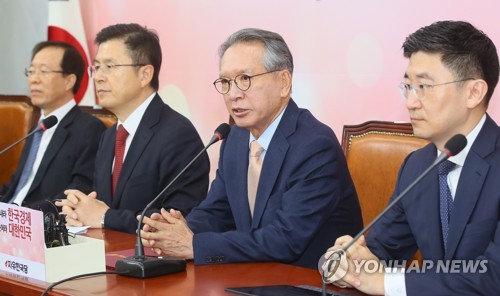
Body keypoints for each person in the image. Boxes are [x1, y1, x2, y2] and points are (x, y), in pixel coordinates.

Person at [139, 28, 363, 269]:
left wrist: (195, 246)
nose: (233, 94)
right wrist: (176, 231)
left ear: (283, 83)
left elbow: (286, 239)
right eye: (225, 82)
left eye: (245, 79)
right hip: (253, 277)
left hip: (308, 282)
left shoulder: (315, 147)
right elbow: (217, 211)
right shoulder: (235, 139)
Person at [322, 20, 500, 295]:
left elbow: (493, 277)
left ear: (473, 92)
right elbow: (383, 252)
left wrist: (385, 282)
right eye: (408, 86)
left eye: (424, 87)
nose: (411, 101)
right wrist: (355, 263)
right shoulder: (417, 166)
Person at [56, 24, 210, 234]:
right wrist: (79, 211)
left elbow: (176, 223)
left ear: (145, 74)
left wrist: (104, 217)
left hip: (152, 263)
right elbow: (101, 205)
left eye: (110, 67)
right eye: (96, 67)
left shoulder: (178, 135)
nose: (98, 77)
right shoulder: (110, 136)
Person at [0, 41, 105, 211]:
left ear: (69, 81)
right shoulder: (37, 128)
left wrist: (22, 215)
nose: (34, 79)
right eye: (31, 71)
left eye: (44, 71)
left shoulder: (89, 129)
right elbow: (17, 186)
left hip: (40, 223)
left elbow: (78, 191)